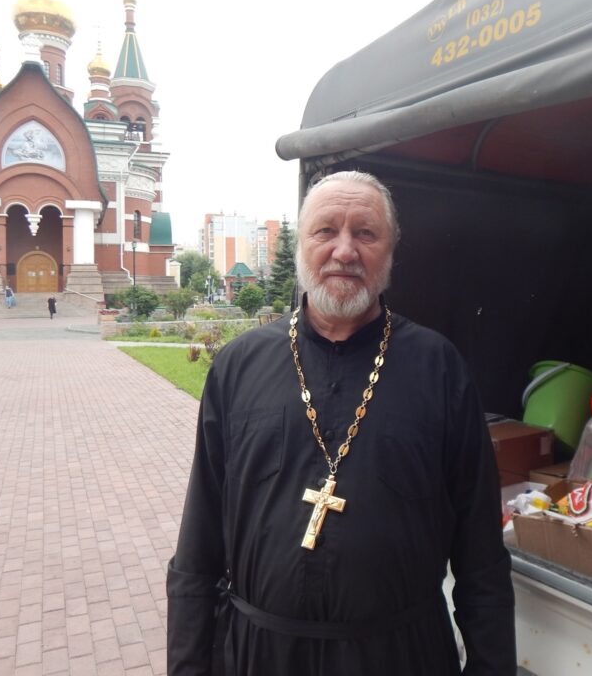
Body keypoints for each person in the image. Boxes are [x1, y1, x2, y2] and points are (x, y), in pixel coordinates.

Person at [167, 170, 515, 675]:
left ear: (390, 252)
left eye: (365, 233)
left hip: (401, 657)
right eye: (326, 231)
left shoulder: (439, 368)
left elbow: (480, 550)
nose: (345, 251)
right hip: (263, 656)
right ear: (301, 246)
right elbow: (199, 540)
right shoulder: (238, 366)